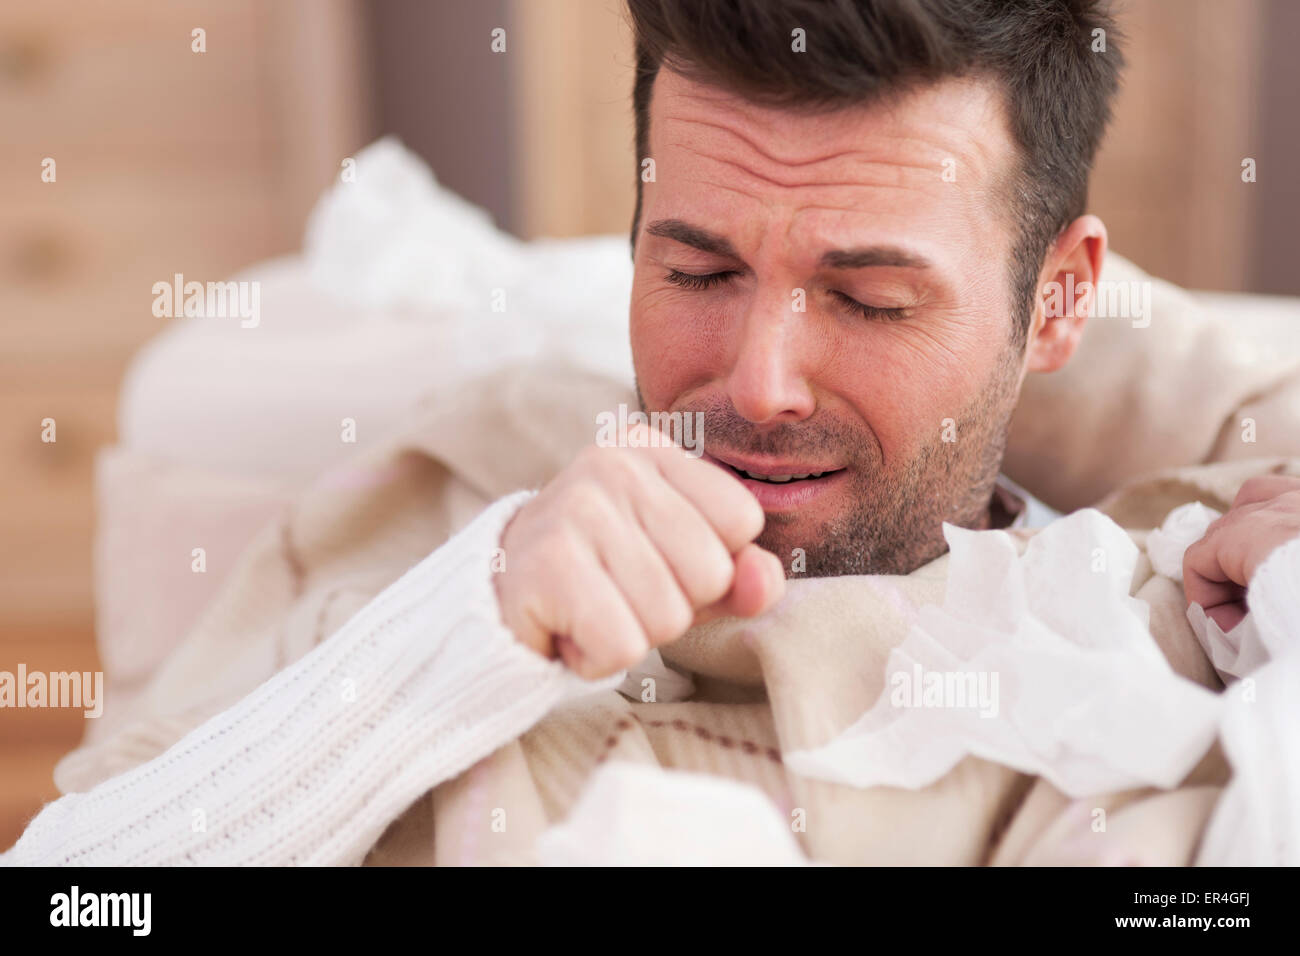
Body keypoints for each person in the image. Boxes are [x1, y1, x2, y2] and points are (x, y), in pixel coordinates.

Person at [6, 0, 1299, 866]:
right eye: (695, 273)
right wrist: (462, 639)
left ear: (1059, 299)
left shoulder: (1171, 624)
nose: (761, 382)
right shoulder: (436, 509)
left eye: (870, 299)